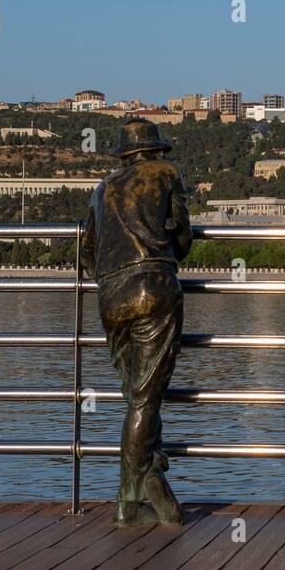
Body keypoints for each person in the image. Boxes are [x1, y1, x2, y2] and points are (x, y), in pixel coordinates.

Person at [81, 117, 193, 526]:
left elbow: (86, 252)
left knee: (136, 392)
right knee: (146, 397)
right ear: (155, 151)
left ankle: (148, 482)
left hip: (110, 296)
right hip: (153, 287)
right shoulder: (167, 174)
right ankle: (130, 499)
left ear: (124, 154)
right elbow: (182, 241)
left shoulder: (103, 188)